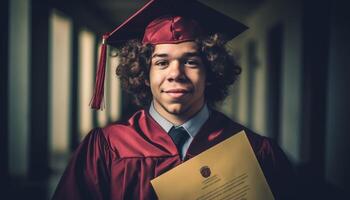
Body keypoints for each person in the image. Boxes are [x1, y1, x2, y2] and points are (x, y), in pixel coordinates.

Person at [53, 0, 295, 199]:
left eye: (190, 61)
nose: (176, 74)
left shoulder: (256, 152)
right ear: (144, 73)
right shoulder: (107, 149)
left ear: (210, 71)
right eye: (162, 63)